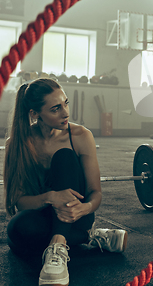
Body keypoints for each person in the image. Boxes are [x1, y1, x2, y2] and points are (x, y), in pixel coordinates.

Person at [3, 78, 128, 286]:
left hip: (77, 214)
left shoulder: (80, 136)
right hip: (44, 217)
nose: (65, 113)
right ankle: (88, 237)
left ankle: (59, 245)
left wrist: (85, 208)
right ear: (35, 114)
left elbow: (95, 193)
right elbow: (20, 202)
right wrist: (51, 197)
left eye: (65, 103)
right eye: (55, 109)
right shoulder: (18, 144)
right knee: (17, 230)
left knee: (64, 158)